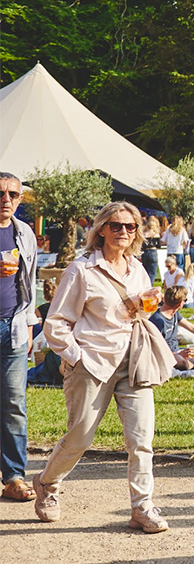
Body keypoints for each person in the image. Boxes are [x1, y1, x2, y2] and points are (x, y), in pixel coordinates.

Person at [35, 201, 169, 532]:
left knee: (141, 439)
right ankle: (47, 483)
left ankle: (142, 506)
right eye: (116, 226)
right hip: (92, 364)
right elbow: (56, 322)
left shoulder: (137, 269)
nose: (123, 232)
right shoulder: (81, 270)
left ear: (137, 232)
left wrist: (143, 307)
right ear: (101, 230)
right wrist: (76, 357)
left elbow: (137, 313)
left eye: (130, 227)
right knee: (80, 437)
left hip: (133, 361)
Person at [0, 172, 38, 502]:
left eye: (13, 194)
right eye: (1, 193)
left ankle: (14, 475)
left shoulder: (24, 233)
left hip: (13, 328)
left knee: (14, 403)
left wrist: (29, 321)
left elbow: (31, 281)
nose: (6, 199)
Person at [140, 216, 162, 284]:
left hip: (145, 252)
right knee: (152, 271)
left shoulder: (144, 234)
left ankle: (145, 285)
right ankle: (150, 284)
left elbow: (142, 245)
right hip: (153, 252)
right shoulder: (156, 234)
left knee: (145, 271)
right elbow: (159, 245)